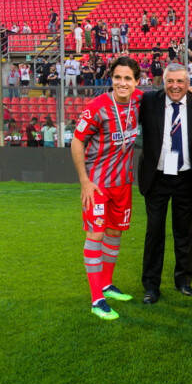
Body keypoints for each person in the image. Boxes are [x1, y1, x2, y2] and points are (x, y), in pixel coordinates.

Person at [70, 56, 143, 320]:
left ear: (136, 82)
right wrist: (84, 181)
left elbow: (163, 97)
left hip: (123, 184)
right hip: (98, 186)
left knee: (114, 234)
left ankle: (107, 284)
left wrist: (190, 90)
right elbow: (77, 142)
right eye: (117, 78)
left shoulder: (139, 101)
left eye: (127, 78)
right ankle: (96, 299)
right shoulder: (97, 107)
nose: (122, 83)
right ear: (111, 79)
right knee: (96, 236)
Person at [138, 63, 192, 304]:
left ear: (188, 84)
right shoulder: (149, 101)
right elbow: (126, 96)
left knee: (184, 232)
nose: (175, 86)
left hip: (186, 176)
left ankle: (184, 281)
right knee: (154, 232)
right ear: (163, 82)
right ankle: (151, 286)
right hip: (157, 178)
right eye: (170, 81)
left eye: (180, 81)